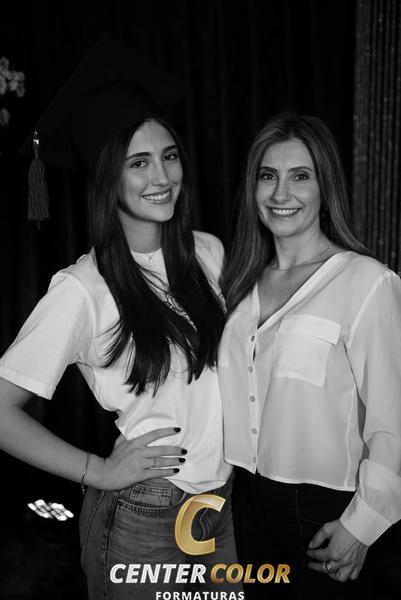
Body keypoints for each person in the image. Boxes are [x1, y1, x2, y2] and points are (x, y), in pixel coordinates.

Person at [0, 36, 239, 600]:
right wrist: (97, 470)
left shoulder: (208, 252)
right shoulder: (83, 289)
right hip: (144, 515)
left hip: (222, 505)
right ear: (109, 178)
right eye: (138, 163)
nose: (162, 177)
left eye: (169, 156)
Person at [219, 112, 401, 599]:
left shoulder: (366, 282)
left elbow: (393, 418)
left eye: (300, 176)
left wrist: (363, 524)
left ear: (326, 189)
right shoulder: (238, 284)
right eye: (268, 176)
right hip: (243, 502)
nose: (281, 193)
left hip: (325, 513)